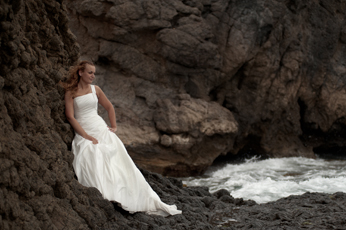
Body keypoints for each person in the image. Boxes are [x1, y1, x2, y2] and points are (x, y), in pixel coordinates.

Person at [62, 60, 182, 216]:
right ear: (80, 73)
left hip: (100, 127)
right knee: (91, 155)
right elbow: (70, 117)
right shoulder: (71, 92)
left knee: (117, 162)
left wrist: (114, 126)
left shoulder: (96, 89)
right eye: (90, 72)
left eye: (94, 73)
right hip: (84, 130)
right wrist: (85, 135)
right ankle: (106, 194)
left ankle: (124, 194)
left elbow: (109, 107)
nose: (93, 76)